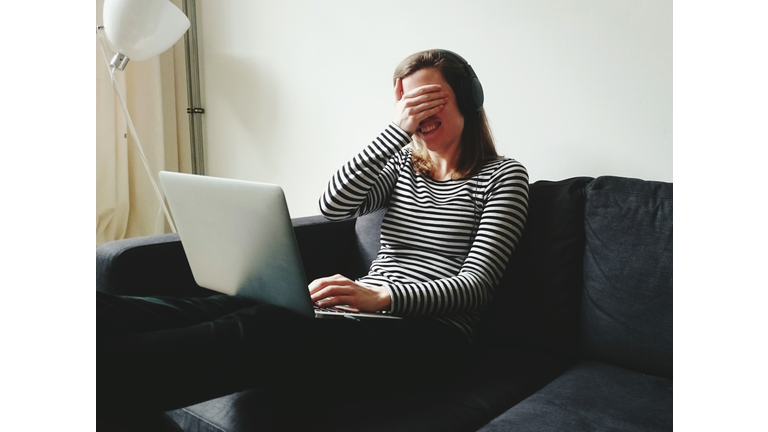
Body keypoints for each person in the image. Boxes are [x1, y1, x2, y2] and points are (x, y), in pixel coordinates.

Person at [97, 49, 529, 420]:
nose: (419, 113)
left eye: (431, 98)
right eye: (409, 103)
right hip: (366, 312)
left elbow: (477, 286)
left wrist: (380, 298)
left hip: (434, 335)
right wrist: (394, 134)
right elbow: (333, 206)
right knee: (225, 304)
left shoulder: (503, 176)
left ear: (469, 100)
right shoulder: (403, 167)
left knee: (272, 327)